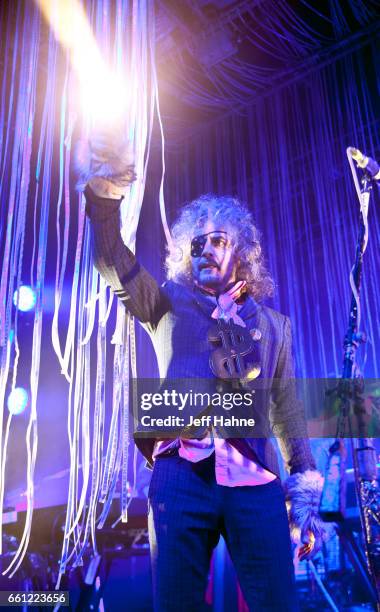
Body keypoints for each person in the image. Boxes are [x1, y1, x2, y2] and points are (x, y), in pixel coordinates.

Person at [78, 137, 325, 611]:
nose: (205, 250)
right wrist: (105, 196)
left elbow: (287, 411)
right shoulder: (168, 302)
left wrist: (305, 488)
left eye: (218, 241)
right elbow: (112, 263)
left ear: (243, 253)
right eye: (197, 243)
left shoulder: (274, 326)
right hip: (180, 475)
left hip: (256, 482)